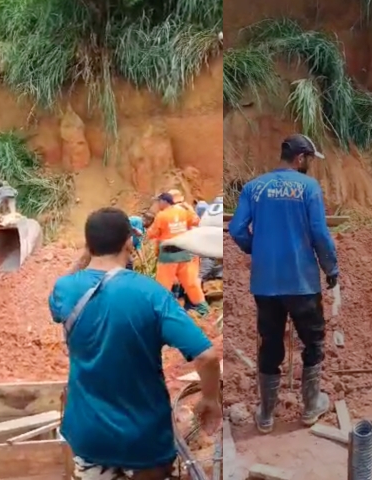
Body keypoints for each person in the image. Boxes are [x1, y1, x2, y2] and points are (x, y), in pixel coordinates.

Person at [50, 207, 221, 480]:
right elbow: (207, 357)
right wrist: (211, 399)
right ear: (129, 242)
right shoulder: (151, 293)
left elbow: (65, 284)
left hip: (89, 436)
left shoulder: (64, 290)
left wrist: (87, 254)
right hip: (145, 442)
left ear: (88, 244)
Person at [228, 133, 339, 434]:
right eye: (310, 161)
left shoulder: (254, 188)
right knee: (313, 341)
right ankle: (310, 406)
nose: (310, 166)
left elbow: (237, 228)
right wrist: (331, 267)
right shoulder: (308, 188)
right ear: (300, 158)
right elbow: (319, 234)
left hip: (265, 284)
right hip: (302, 282)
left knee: (270, 345)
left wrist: (256, 247)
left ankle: (265, 415)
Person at [148, 193, 209, 315]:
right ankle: (203, 309)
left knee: (163, 285)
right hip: (184, 253)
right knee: (190, 283)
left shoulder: (162, 215)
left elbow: (152, 234)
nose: (158, 204)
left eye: (159, 202)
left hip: (168, 255)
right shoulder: (184, 212)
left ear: (165, 202)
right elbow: (195, 222)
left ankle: (160, 312)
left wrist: (148, 230)